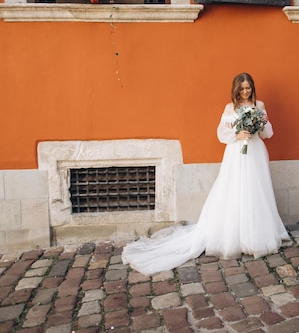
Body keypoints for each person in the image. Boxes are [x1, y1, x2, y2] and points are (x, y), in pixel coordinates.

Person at [122, 72, 290, 275]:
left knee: (257, 191)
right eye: (242, 89)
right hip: (237, 153)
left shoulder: (260, 106)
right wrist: (237, 134)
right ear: (236, 90)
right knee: (235, 189)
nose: (246, 92)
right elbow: (221, 133)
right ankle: (234, 236)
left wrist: (261, 123)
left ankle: (256, 236)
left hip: (255, 153)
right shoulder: (230, 108)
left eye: (248, 88)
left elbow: (267, 133)